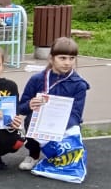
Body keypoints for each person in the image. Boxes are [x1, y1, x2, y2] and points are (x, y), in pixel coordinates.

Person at [17, 37, 90, 171]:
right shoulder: (37, 79)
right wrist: (30, 105)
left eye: (72, 58)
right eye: (62, 58)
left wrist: (58, 125)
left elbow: (76, 114)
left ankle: (61, 154)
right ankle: (33, 154)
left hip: (66, 125)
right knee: (31, 119)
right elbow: (21, 108)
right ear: (51, 58)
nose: (67, 62)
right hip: (40, 124)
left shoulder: (79, 85)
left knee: (65, 162)